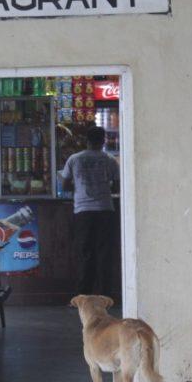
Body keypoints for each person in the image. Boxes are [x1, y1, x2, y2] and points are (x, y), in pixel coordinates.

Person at [60, 126, 120, 298]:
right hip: (105, 210)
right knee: (104, 253)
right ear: (103, 141)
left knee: (85, 253)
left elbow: (64, 186)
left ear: (87, 140)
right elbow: (116, 186)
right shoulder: (109, 160)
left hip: (83, 211)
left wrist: (79, 187)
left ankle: (83, 296)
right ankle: (106, 296)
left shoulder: (74, 159)